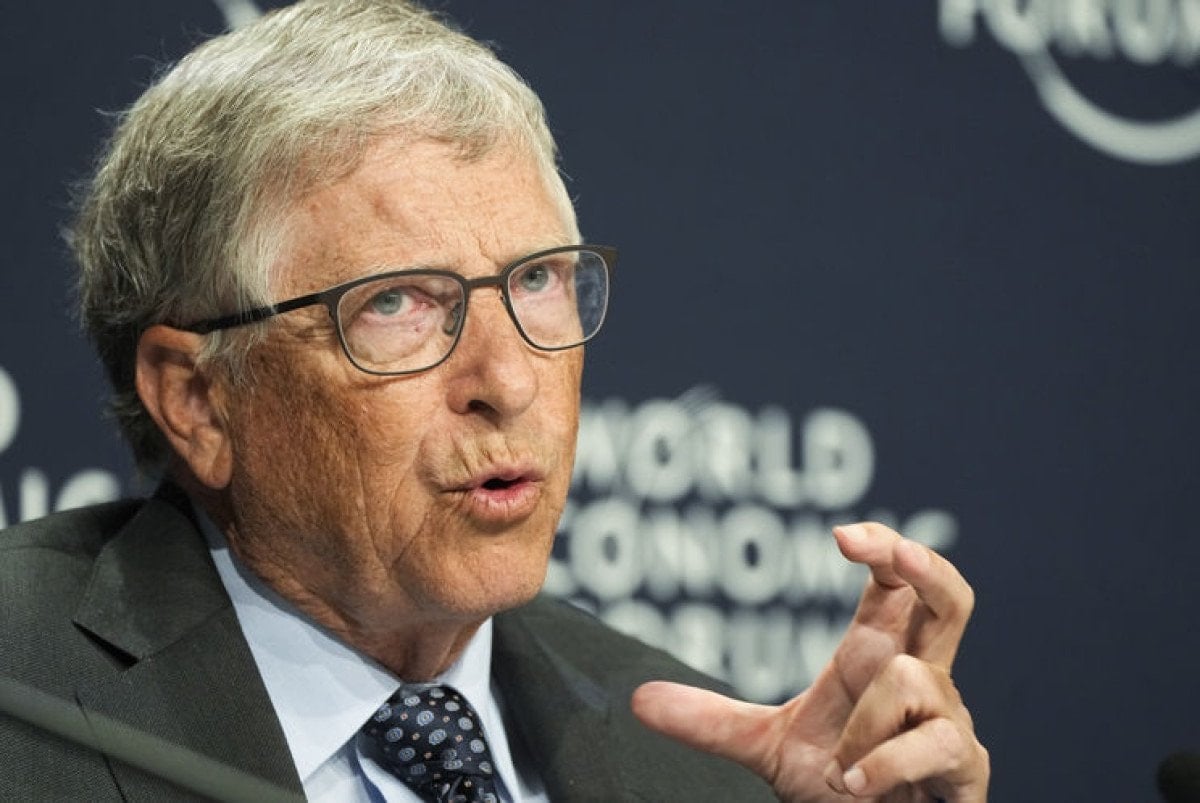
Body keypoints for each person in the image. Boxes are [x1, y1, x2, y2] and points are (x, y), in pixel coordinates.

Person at [0, 1, 989, 800]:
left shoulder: (704, 766)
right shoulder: (22, 699)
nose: (509, 381)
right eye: (396, 303)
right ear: (199, 401)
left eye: (537, 280)